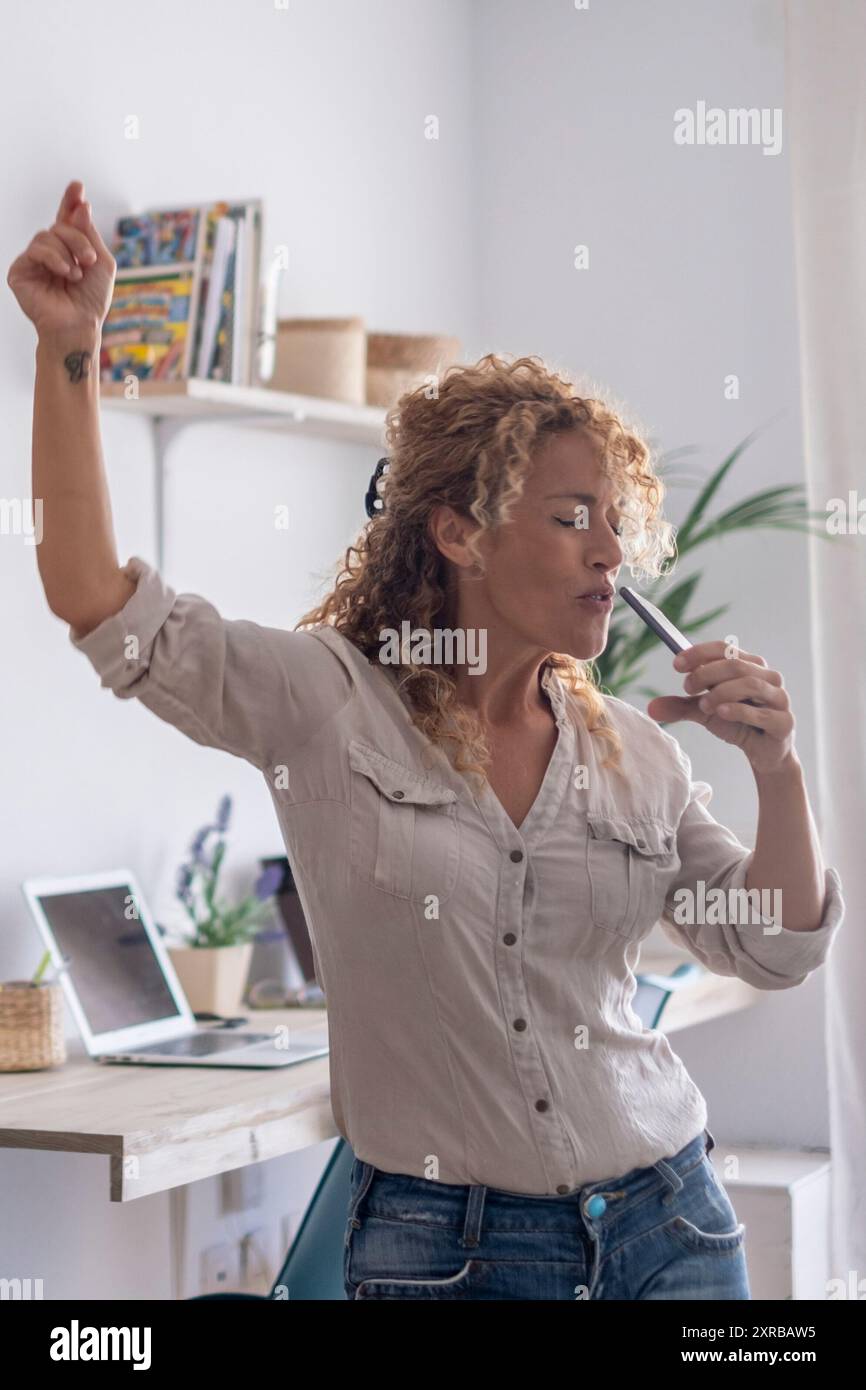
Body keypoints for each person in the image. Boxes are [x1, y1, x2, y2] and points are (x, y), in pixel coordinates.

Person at [8, 180, 844, 1301]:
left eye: (614, 520)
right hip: (445, 1258)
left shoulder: (635, 756)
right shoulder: (323, 701)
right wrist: (73, 351)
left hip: (671, 1232)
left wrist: (775, 769)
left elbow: (774, 947)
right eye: (567, 517)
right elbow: (98, 602)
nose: (610, 554)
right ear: (456, 530)